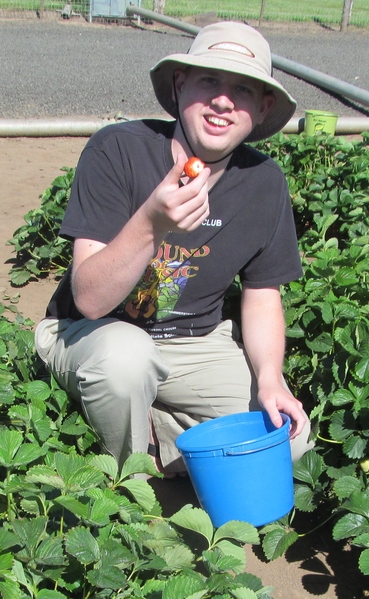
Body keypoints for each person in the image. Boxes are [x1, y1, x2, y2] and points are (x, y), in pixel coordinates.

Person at [35, 21, 314, 475]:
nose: (223, 100)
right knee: (126, 362)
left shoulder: (264, 182)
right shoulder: (117, 151)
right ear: (180, 86)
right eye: (209, 81)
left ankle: (150, 427)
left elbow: (263, 296)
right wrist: (151, 223)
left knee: (289, 441)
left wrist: (271, 378)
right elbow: (89, 299)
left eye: (243, 90)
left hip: (196, 344)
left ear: (263, 108)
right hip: (93, 334)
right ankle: (129, 474)